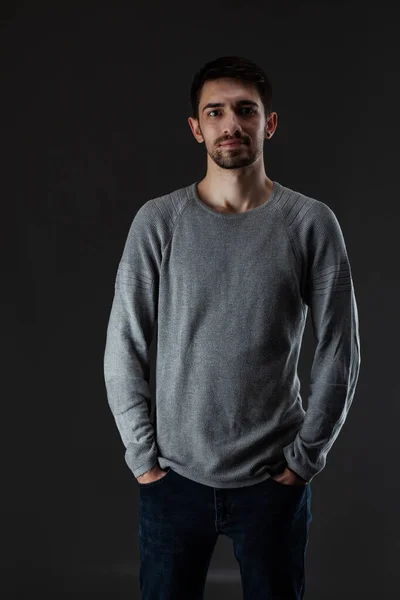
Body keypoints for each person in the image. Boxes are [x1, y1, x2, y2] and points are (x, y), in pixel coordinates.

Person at [103, 55, 361, 600]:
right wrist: (143, 460)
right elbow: (123, 344)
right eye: (215, 112)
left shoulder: (309, 223)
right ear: (197, 129)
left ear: (268, 123)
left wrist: (306, 458)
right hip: (174, 481)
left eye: (245, 110)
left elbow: (340, 348)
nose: (230, 124)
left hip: (273, 483)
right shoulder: (159, 222)